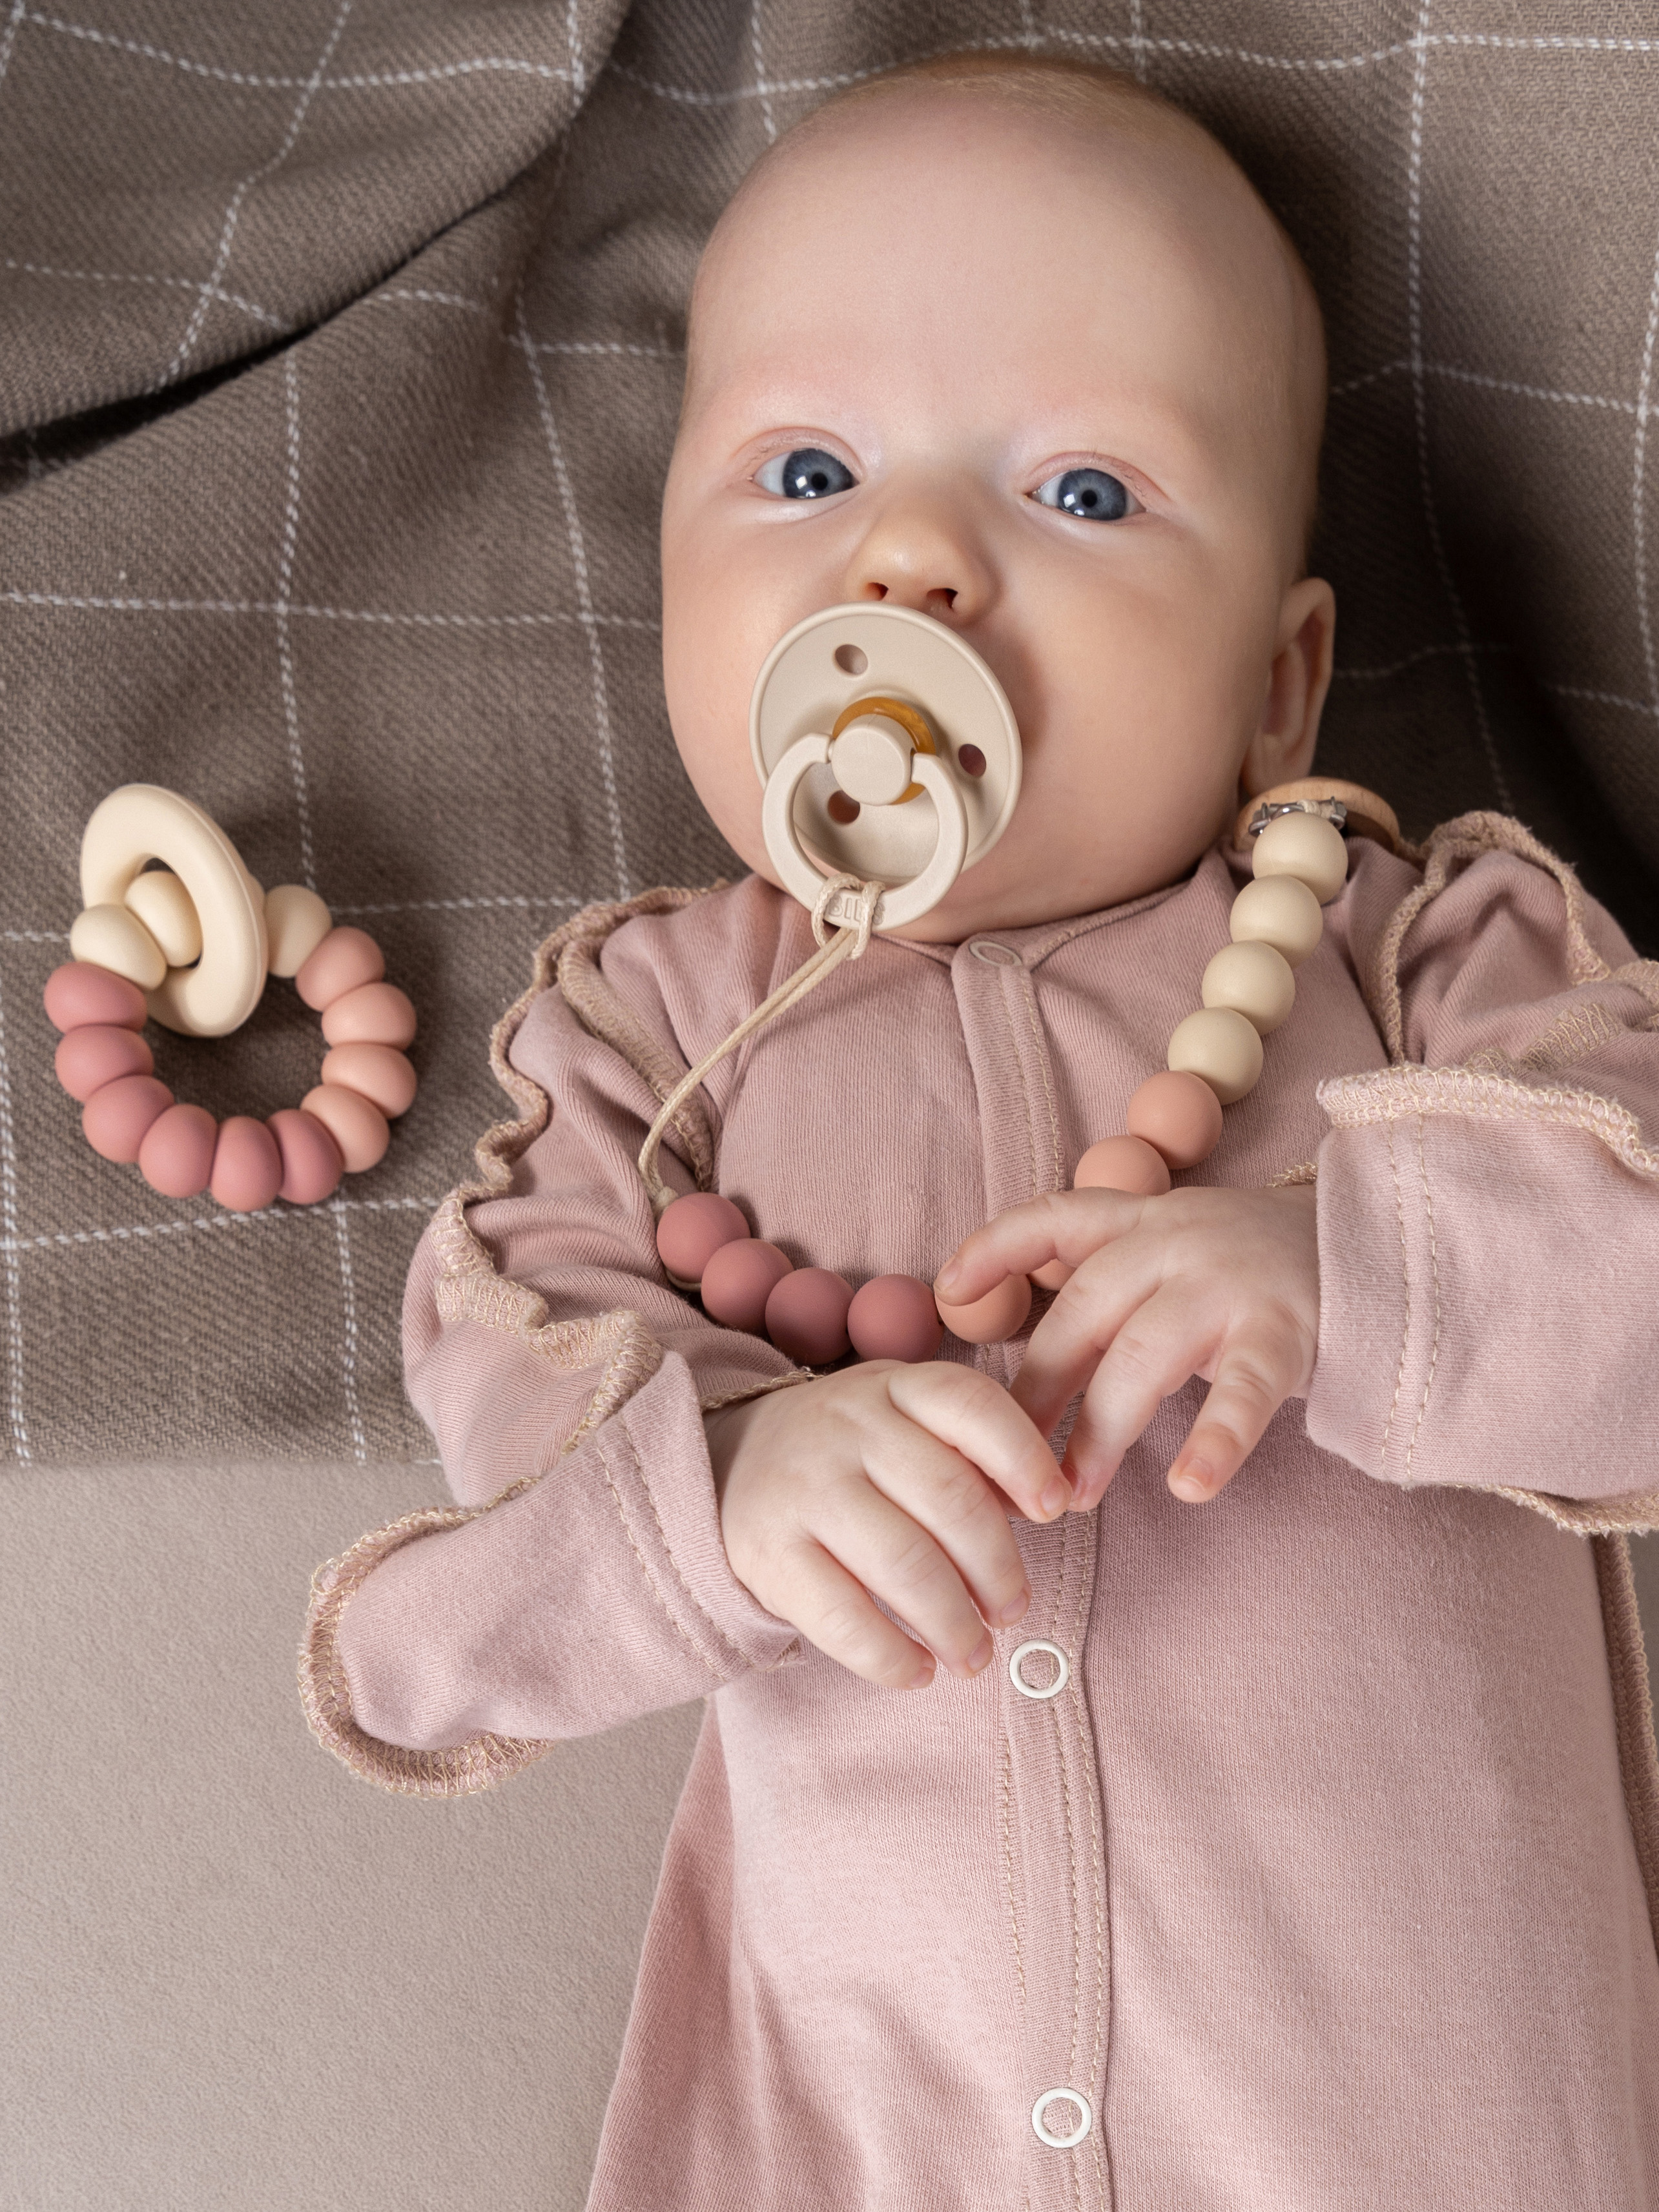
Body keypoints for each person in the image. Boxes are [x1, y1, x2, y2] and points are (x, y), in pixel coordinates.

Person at [302, 55, 1659, 2209]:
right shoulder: (645, 1037)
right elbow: (516, 1432)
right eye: (809, 469)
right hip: (864, 2117)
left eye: (1086, 494)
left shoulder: (1424, 948)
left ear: (1279, 689)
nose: (910, 560)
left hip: (1415, 2112)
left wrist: (1353, 1258)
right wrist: (728, 1488)